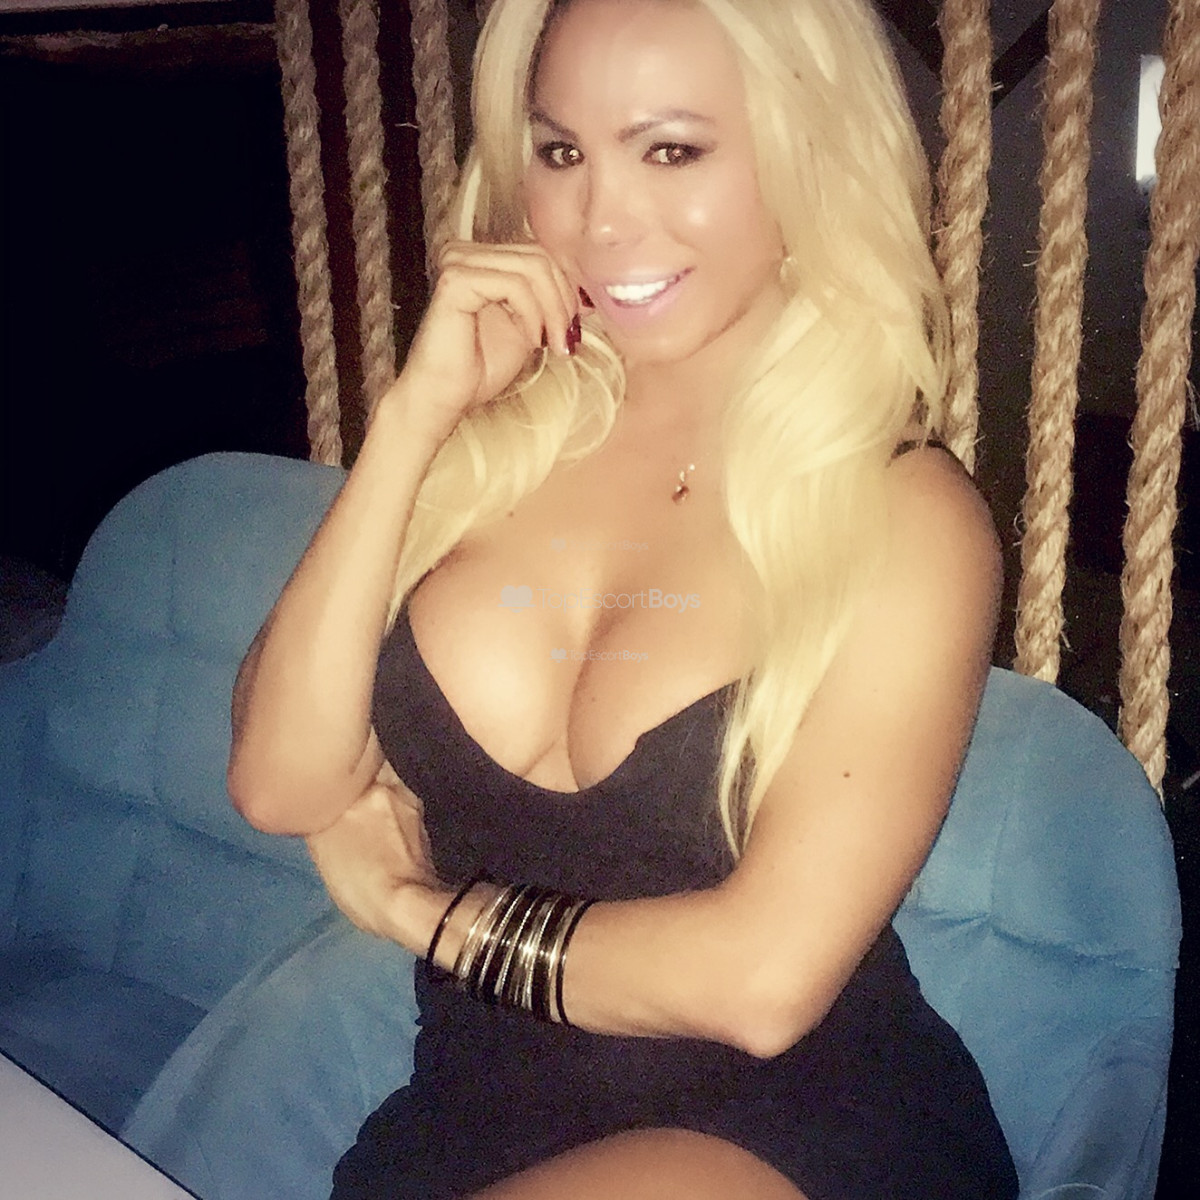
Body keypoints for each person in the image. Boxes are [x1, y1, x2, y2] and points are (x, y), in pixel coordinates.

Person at [228, 0, 1018, 1195]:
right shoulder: (485, 451)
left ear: (808, 154)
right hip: (473, 1116)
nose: (599, 220)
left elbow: (761, 984)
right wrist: (412, 420)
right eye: (560, 152)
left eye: (671, 149)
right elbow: (281, 783)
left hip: (789, 1135)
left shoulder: (907, 514)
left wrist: (415, 909)